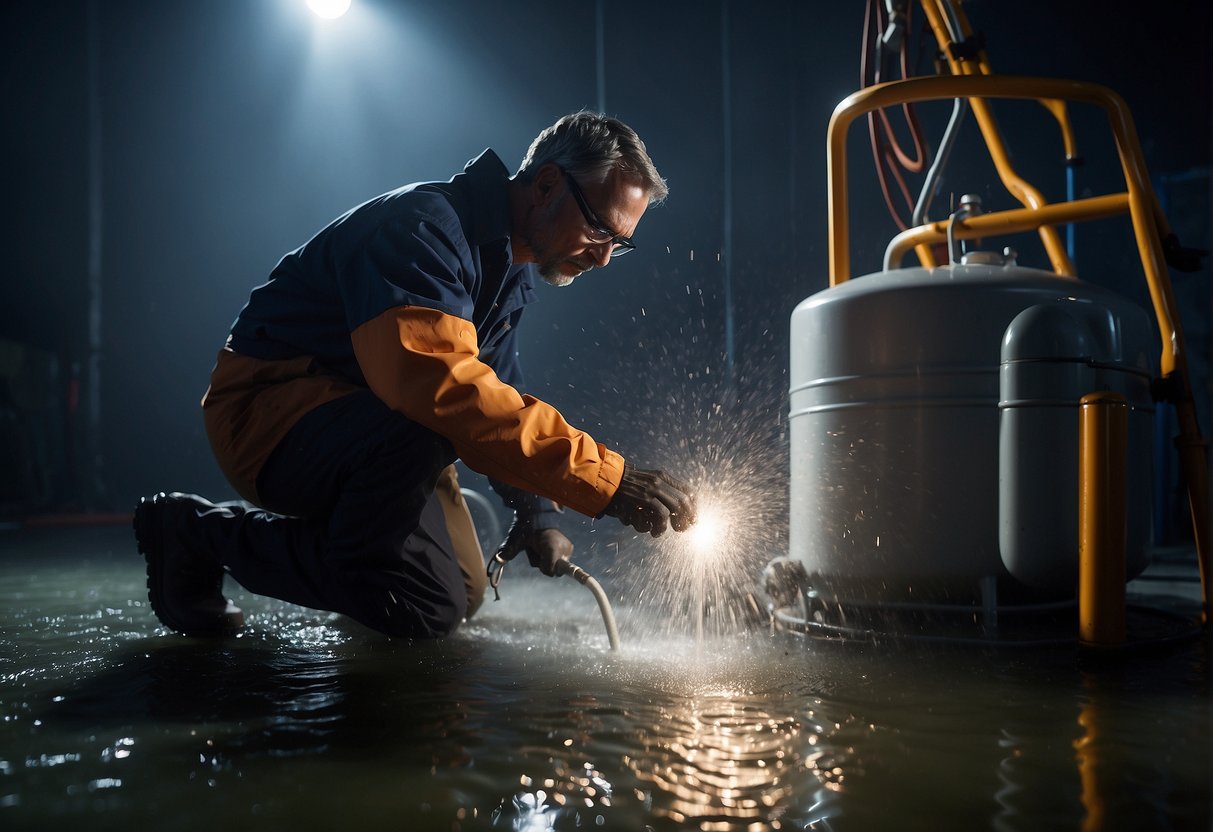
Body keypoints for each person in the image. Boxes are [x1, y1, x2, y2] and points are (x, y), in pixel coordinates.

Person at [134, 111, 698, 639]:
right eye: (599, 228)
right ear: (547, 185)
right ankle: (197, 533)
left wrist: (538, 512)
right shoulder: (424, 230)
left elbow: (498, 395)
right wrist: (607, 480)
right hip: (267, 414)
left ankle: (349, 563)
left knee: (462, 592)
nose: (601, 258)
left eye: (618, 245)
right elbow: (443, 389)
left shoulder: (506, 271)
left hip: (368, 426)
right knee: (415, 598)